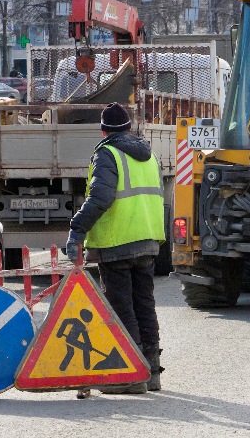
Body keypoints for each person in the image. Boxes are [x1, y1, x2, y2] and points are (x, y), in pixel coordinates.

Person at [67, 102, 165, 393]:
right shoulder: (148, 155)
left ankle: (131, 376)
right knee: (144, 306)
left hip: (117, 241)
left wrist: (77, 228)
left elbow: (100, 197)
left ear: (103, 130)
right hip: (147, 238)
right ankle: (152, 374)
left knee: (122, 308)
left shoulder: (107, 153)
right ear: (130, 128)